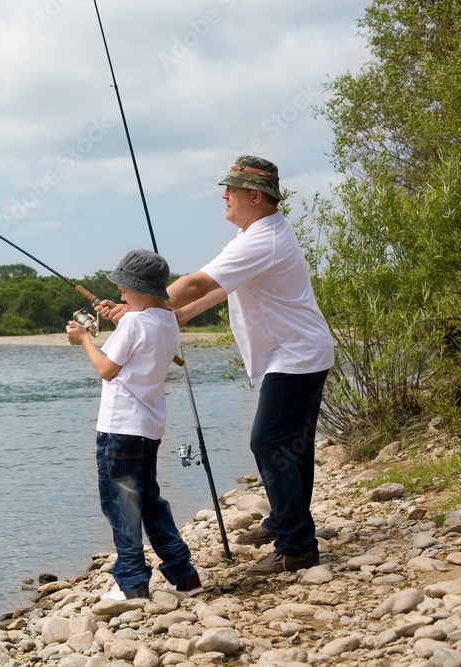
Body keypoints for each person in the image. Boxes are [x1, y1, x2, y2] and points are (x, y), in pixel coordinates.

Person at [163, 155, 335, 574]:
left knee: (270, 443)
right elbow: (224, 286)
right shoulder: (256, 233)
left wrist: (145, 308)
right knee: (294, 446)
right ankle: (283, 521)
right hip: (300, 353)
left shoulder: (261, 239)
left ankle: (297, 546)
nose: (224, 195)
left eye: (231, 189)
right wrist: (184, 314)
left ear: (254, 196)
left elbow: (198, 282)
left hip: (294, 358)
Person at [66, 249, 202, 599]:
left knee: (120, 504)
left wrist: (83, 338)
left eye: (125, 289)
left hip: (119, 428)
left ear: (139, 289)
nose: (121, 295)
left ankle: (131, 583)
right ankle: (183, 575)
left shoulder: (133, 322)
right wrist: (122, 318)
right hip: (149, 429)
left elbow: (107, 369)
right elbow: (142, 339)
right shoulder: (167, 319)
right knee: (150, 501)